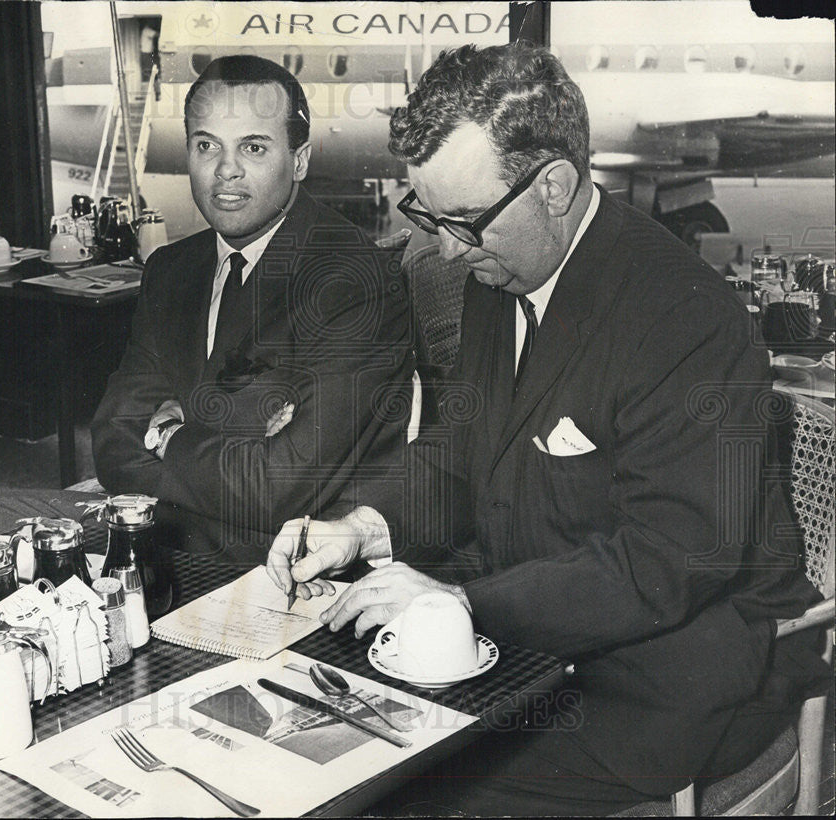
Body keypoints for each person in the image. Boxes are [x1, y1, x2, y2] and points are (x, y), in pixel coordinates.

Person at [266, 43, 828, 816]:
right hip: (532, 655)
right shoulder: (503, 273)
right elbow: (466, 448)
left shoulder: (687, 321)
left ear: (555, 187)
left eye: (463, 221)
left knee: (393, 796)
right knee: (314, 740)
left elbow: (665, 563)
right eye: (428, 216)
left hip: (656, 689)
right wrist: (364, 527)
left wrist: (462, 602)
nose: (445, 249)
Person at [0, 55, 412, 565]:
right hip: (147, 523)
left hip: (272, 562)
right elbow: (112, 440)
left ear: (299, 160)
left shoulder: (353, 281)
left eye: (253, 147)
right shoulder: (173, 268)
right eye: (206, 145)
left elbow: (277, 489)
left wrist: (169, 434)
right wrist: (238, 437)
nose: (226, 170)